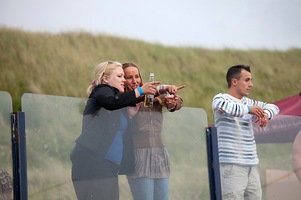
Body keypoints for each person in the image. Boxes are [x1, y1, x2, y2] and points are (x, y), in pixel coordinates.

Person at [70, 60, 159, 200]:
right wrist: (141, 90)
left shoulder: (117, 100)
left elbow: (112, 119)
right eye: (120, 76)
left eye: (124, 76)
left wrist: (129, 116)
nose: (124, 80)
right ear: (105, 78)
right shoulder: (102, 90)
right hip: (92, 164)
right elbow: (110, 102)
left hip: (108, 167)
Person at [212, 64, 279, 200]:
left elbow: (274, 107)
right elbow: (225, 107)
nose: (251, 84)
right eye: (247, 80)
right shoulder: (220, 99)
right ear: (234, 82)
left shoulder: (248, 102)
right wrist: (249, 109)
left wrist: (264, 114)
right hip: (231, 166)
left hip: (251, 165)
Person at [122, 62, 184, 200]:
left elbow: (178, 102)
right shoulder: (124, 98)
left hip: (160, 154)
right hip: (139, 156)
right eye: (129, 77)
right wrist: (164, 88)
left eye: (137, 76)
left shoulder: (151, 93)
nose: (134, 81)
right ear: (122, 79)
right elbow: (140, 96)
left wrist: (173, 101)